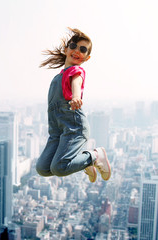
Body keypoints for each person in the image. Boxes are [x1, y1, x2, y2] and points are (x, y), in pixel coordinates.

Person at [36, 28, 111, 183]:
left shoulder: (76, 71)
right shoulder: (58, 76)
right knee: (43, 168)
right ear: (66, 49)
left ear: (86, 57)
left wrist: (76, 97)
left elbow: (76, 83)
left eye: (82, 49)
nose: (77, 51)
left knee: (59, 168)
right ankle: (83, 161)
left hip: (74, 128)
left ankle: (95, 156)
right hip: (57, 131)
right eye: (74, 46)